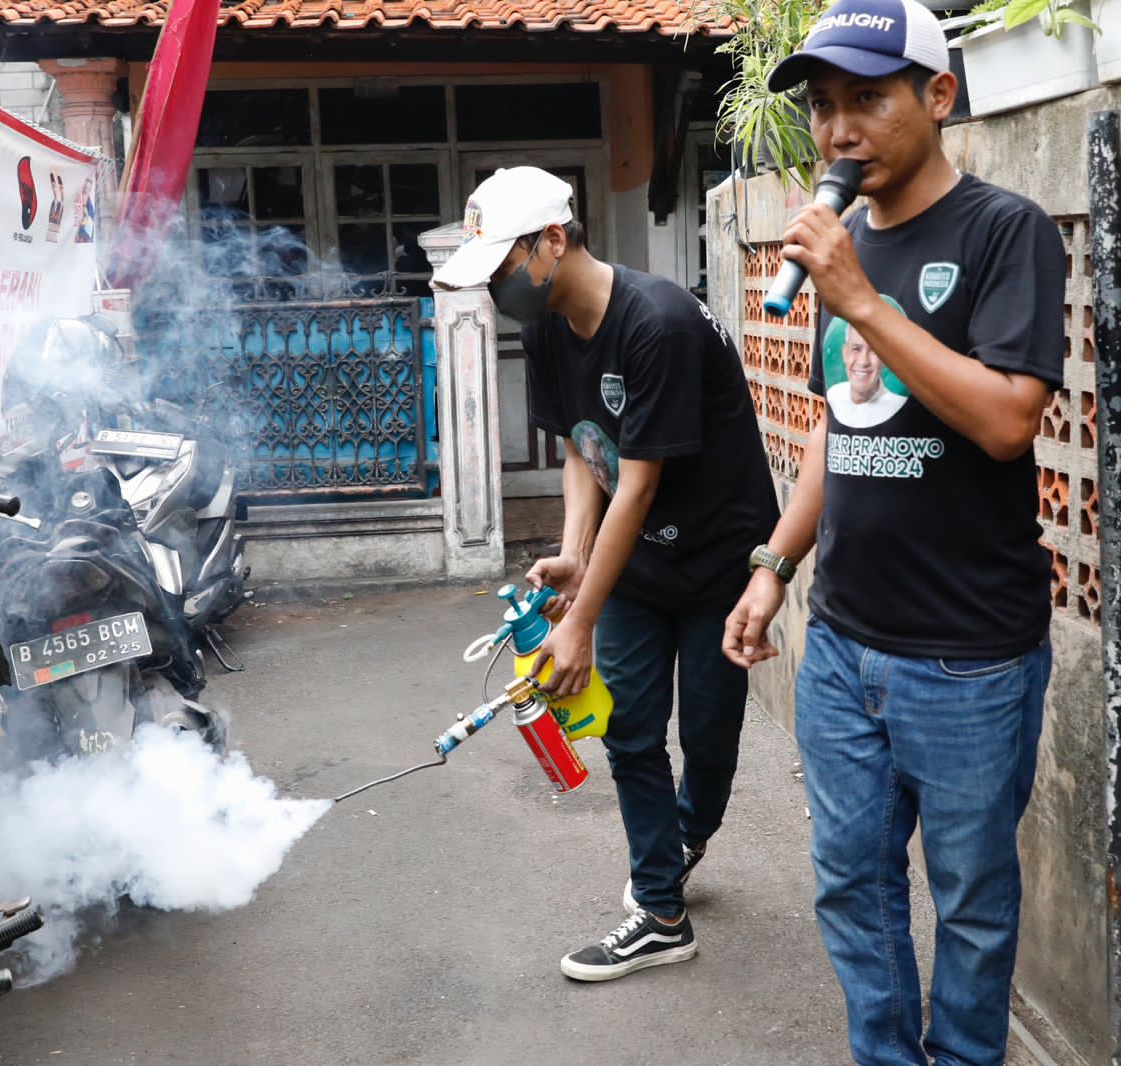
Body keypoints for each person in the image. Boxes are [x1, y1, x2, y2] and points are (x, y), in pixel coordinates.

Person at [725, 1, 1064, 1061]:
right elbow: (844, 425)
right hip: (842, 647)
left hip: (967, 658)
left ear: (938, 96)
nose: (837, 131)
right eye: (824, 107)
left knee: (967, 905)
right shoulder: (845, 250)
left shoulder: (1002, 232)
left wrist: (863, 300)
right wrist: (775, 565)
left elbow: (1010, 421)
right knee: (852, 889)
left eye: (866, 99)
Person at [431, 166, 778, 982]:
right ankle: (661, 911)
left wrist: (578, 616)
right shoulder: (550, 322)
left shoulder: (656, 324)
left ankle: (686, 834)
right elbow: (587, 450)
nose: (495, 292)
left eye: (500, 269)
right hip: (638, 561)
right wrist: (576, 553)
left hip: (718, 558)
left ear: (553, 241)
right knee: (630, 729)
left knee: (710, 738)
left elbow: (644, 480)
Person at [827, 318, 908, 428]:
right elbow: (824, 426)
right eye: (856, 349)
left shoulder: (898, 406)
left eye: (874, 350)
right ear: (845, 353)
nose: (863, 361)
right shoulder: (834, 395)